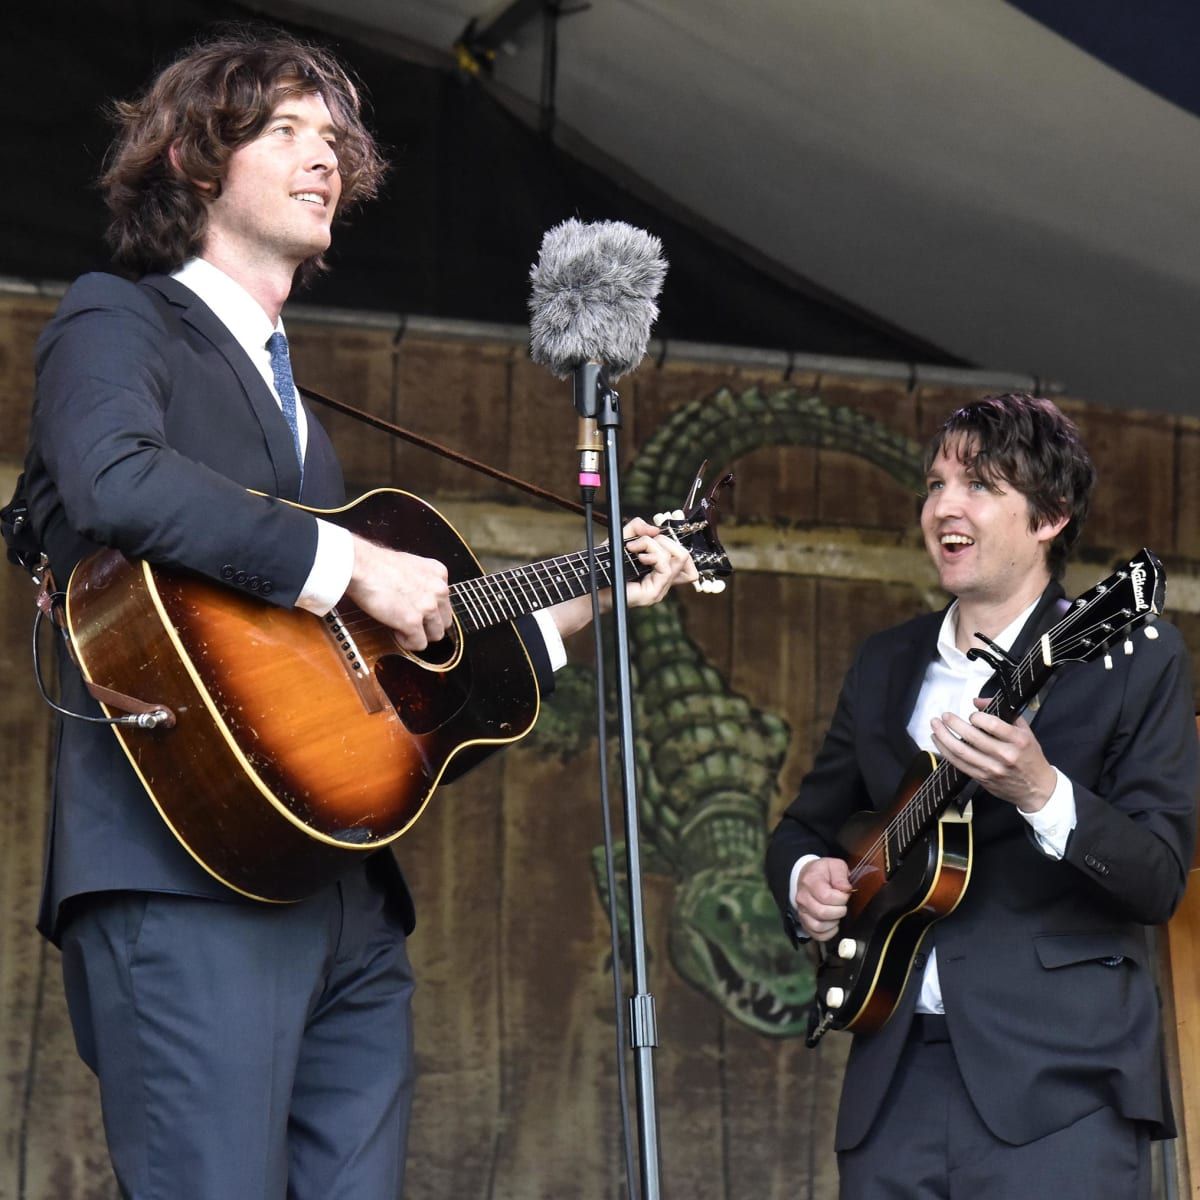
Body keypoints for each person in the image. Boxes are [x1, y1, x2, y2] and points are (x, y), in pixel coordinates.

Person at [21, 27, 696, 1200]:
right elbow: (115, 478)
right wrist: (350, 566)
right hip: (185, 883)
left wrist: (583, 596)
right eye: (283, 130)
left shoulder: (305, 423)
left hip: (342, 901)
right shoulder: (118, 320)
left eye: (333, 138)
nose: (322, 154)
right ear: (191, 161)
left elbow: (348, 698)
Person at [765, 393, 1197, 1199]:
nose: (944, 508)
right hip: (891, 1091)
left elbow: (1159, 878)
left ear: (1051, 516)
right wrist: (808, 882)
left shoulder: (1134, 658)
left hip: (1062, 1089)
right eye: (934, 486)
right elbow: (803, 827)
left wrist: (1041, 792)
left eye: (981, 486)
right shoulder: (885, 662)